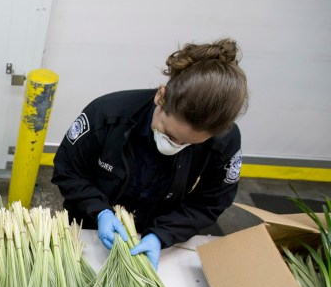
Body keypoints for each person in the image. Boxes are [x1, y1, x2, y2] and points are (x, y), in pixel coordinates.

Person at [52, 38, 248, 269]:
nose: (174, 144)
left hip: (156, 233)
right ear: (161, 97)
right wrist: (100, 211)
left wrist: (161, 235)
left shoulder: (224, 140)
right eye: (169, 133)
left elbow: (209, 203)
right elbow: (69, 171)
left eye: (187, 143)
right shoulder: (108, 114)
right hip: (87, 227)